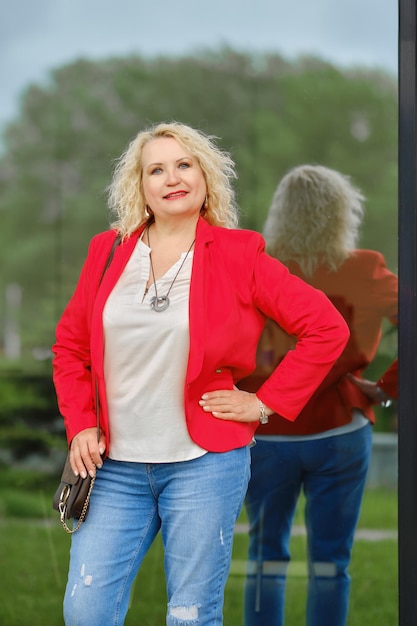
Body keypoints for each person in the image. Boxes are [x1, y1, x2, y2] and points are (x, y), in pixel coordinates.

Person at [52, 124, 349, 626]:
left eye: (184, 165)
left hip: (204, 464)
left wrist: (264, 403)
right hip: (113, 467)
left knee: (190, 614)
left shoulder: (239, 254)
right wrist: (81, 422)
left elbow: (326, 328)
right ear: (140, 186)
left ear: (206, 177)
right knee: (86, 610)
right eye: (157, 169)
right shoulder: (106, 251)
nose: (173, 178)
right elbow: (70, 348)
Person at [240, 164, 398, 626]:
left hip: (266, 433)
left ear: (280, 213)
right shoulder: (365, 268)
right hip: (340, 431)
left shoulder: (257, 268)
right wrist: (387, 388)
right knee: (332, 563)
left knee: (265, 556)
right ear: (341, 213)